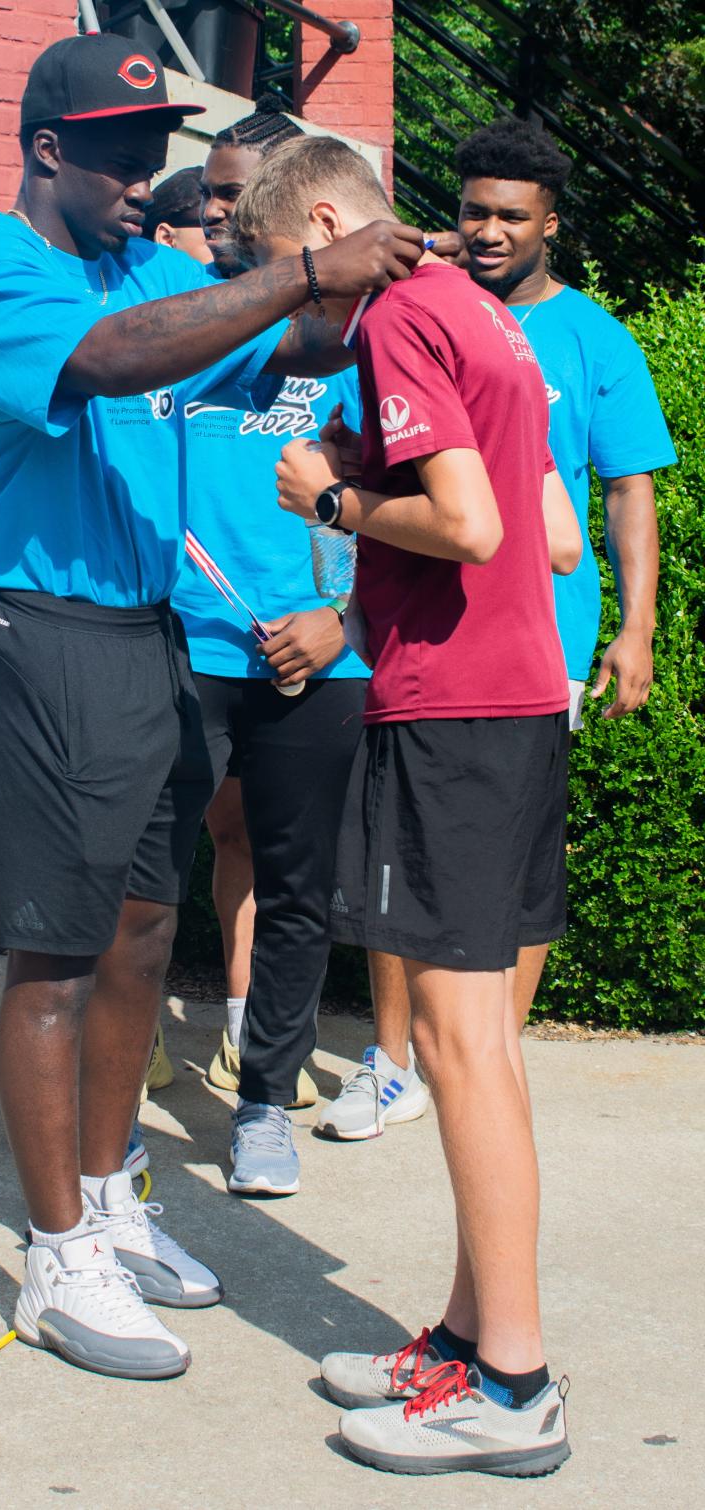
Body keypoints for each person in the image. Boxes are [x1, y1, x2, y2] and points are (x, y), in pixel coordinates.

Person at [0, 34, 431, 1382]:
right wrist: (301, 272)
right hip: (36, 630)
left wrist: (368, 256)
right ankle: (54, 1257)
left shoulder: (152, 261)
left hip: (149, 630)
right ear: (46, 148)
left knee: (145, 932)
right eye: (116, 151)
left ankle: (108, 1196)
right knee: (54, 953)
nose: (147, 177)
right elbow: (113, 357)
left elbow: (278, 336)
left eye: (158, 150)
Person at [235, 133, 580, 1475]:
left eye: (290, 273)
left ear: (330, 222)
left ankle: (513, 1382)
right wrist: (372, 480)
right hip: (509, 702)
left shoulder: (397, 320)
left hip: (457, 716)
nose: (295, 302)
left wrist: (336, 494)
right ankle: (466, 1333)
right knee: (468, 1037)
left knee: (458, 1043)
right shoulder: (481, 312)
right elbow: (548, 532)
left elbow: (479, 528)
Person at [325, 118, 677, 1118]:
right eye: (474, 210)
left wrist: (636, 627)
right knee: (409, 861)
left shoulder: (592, 338)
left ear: (551, 224)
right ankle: (395, 1059)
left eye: (511, 217)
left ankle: (481, 1058)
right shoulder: (420, 313)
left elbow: (623, 491)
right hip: (422, 639)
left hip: (536, 640)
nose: (487, 231)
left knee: (505, 862)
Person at [167, 98, 392, 1198]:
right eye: (218, 210)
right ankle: (118, 1091)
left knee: (301, 888)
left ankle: (264, 1101)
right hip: (196, 642)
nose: (225, 227)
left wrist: (338, 623)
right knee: (148, 876)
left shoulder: (386, 347)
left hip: (325, 658)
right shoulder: (197, 325)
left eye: (245, 215)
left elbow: (431, 520)